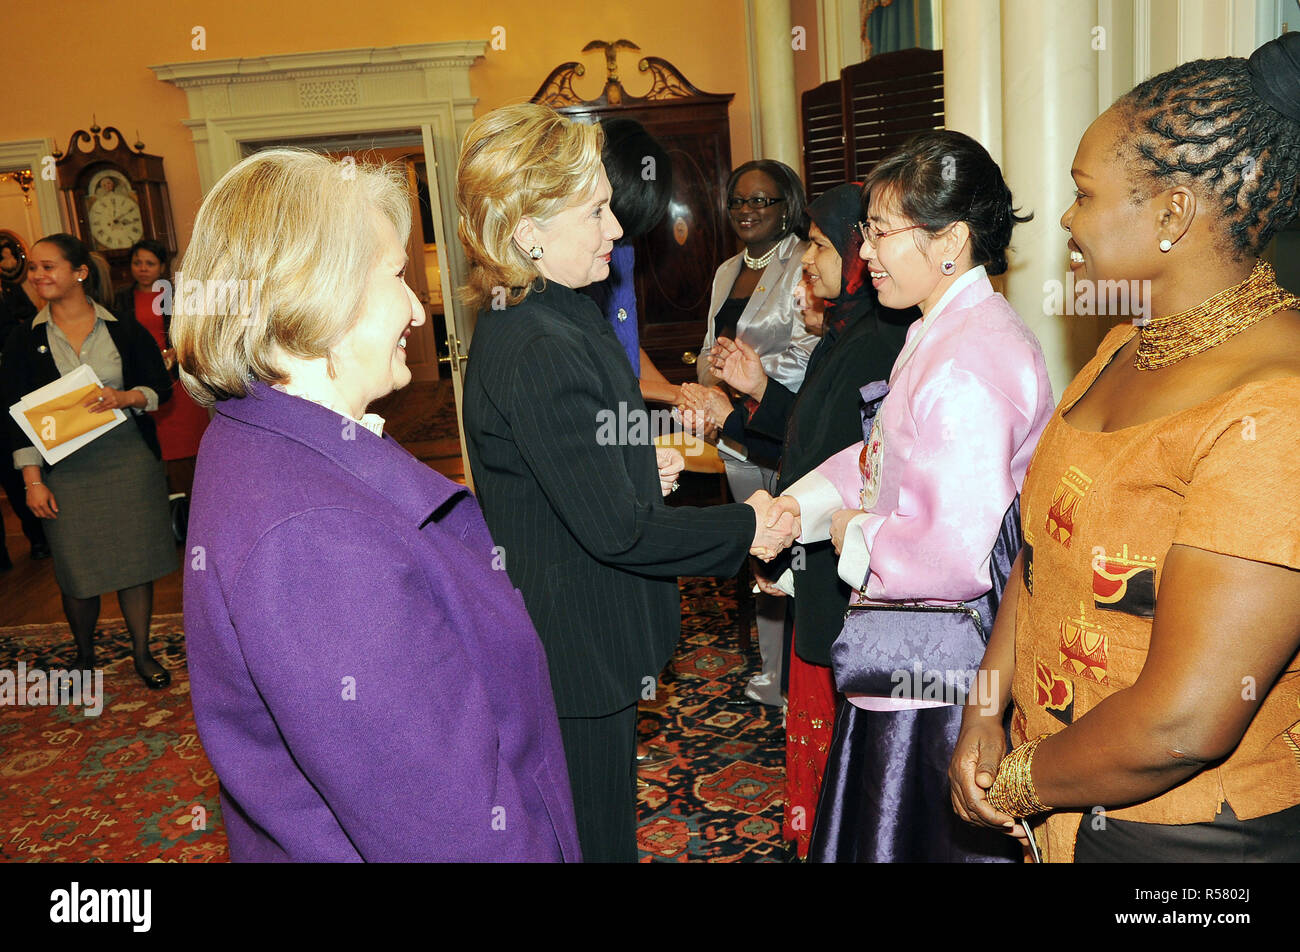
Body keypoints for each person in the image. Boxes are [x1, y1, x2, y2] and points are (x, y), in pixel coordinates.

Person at [174, 148, 580, 862]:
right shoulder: (319, 540)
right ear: (316, 292)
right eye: (396, 275)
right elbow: (448, 836)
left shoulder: (262, 438)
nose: (416, 311)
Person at [950, 35, 1300, 863]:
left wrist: (1020, 782)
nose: (1066, 219)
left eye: (1084, 193)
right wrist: (984, 715)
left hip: (1190, 839)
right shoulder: (1117, 350)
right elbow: (1036, 564)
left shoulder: (1277, 410)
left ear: (1173, 211)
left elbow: (1185, 721)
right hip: (1062, 793)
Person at [456, 103, 797, 863]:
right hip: (574, 643)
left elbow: (566, 449)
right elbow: (616, 531)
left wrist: (637, 456)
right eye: (597, 210)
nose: (616, 229)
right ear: (528, 230)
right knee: (593, 840)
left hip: (588, 633)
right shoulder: (538, 341)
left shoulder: (555, 312)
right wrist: (748, 528)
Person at [775, 132, 1053, 862]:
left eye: (879, 231)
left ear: (951, 239)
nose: (864, 251)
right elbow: (883, 455)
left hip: (937, 670)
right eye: (865, 230)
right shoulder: (943, 328)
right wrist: (798, 507)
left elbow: (953, 550)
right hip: (916, 653)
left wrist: (853, 534)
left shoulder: (972, 358)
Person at [693, 183, 914, 857]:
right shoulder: (845, 335)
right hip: (816, 561)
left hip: (843, 572)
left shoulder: (881, 340)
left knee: (846, 755)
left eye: (819, 244)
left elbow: (852, 467)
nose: (807, 260)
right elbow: (808, 442)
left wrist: (785, 535)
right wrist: (752, 398)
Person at [1, 233, 175, 687]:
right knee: (77, 570)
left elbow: (160, 388)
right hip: (65, 473)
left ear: (79, 272)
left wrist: (125, 396)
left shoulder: (121, 328)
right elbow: (16, 415)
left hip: (128, 461)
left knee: (135, 562)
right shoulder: (25, 339)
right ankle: (83, 656)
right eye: (34, 268)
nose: (37, 275)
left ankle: (142, 653)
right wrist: (32, 481)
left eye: (47, 267)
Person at [680, 159, 816, 708]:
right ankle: (771, 670)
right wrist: (708, 389)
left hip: (784, 421)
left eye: (761, 201)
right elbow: (712, 344)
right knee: (758, 547)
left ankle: (804, 676)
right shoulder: (725, 270)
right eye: (738, 201)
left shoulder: (803, 262)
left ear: (787, 207)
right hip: (734, 432)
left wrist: (750, 383)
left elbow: (809, 350)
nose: (747, 211)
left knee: (796, 547)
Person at [580, 118, 680, 406]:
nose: (617, 234)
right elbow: (594, 368)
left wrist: (678, 395)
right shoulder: (568, 264)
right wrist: (673, 394)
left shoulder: (622, 246)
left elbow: (623, 345)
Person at [112, 239, 209, 497]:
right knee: (155, 447)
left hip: (177, 383)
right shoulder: (122, 298)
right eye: (137, 263)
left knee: (188, 449)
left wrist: (178, 348)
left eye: (150, 263)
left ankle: (192, 503)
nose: (142, 268)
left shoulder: (174, 294)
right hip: (143, 382)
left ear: (162, 267)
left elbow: (194, 331)